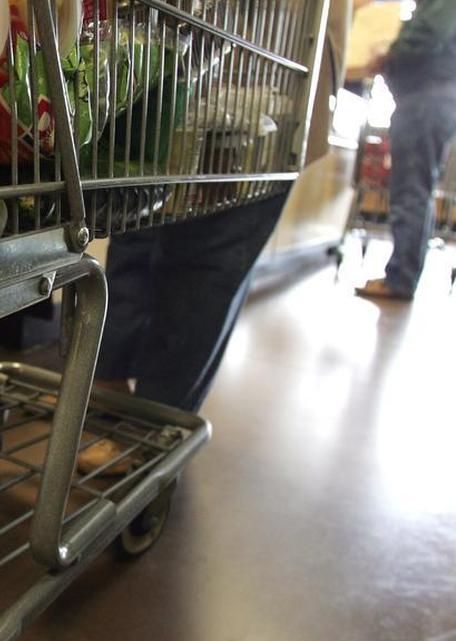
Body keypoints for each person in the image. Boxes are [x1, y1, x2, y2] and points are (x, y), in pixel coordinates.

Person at [78, 0, 352, 472]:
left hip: (259, 80)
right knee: (138, 233)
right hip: (170, 67)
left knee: (204, 256)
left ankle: (154, 423)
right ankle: (119, 395)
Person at [355, 0, 456, 301]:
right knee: (416, 190)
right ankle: (402, 276)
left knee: (410, 190)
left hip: (427, 98)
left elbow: (429, 32)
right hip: (434, 96)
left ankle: (399, 279)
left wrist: (390, 55)